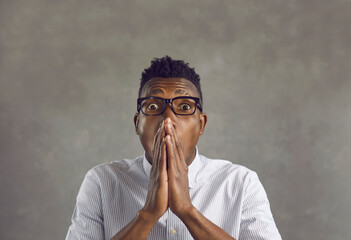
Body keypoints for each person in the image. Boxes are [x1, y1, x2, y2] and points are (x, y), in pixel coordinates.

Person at [65, 56, 282, 240]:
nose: (168, 121)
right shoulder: (101, 181)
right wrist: (148, 214)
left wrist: (187, 211)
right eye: (153, 106)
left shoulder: (241, 183)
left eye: (185, 107)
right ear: (137, 124)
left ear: (202, 124)